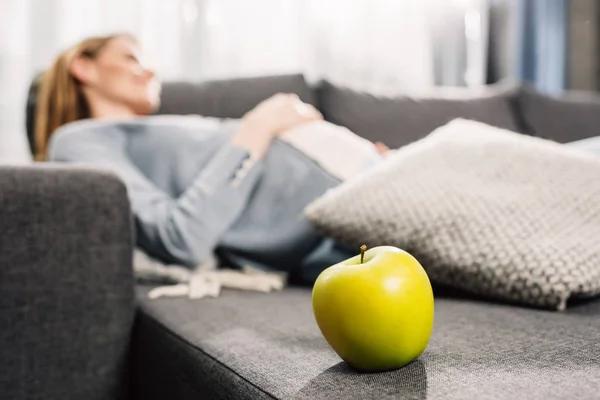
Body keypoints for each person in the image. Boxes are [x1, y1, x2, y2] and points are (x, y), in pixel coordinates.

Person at [37, 33, 384, 283]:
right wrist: (259, 126)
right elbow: (182, 239)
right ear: (83, 67)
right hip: (354, 200)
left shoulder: (149, 134)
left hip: (363, 180)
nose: (150, 70)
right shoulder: (76, 140)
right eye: (132, 57)